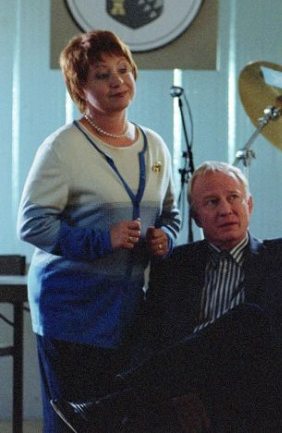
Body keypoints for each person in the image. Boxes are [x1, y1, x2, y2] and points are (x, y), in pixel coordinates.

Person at [50, 161, 282, 432]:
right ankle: (122, 404)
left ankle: (113, 403)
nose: (225, 210)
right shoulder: (175, 265)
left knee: (248, 318)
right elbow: (151, 336)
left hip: (256, 385)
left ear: (249, 205)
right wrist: (176, 394)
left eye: (233, 197)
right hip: (189, 387)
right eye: (212, 202)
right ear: (196, 217)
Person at [17, 30, 180, 432]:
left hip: (128, 310)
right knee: (74, 421)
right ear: (80, 88)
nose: (117, 81)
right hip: (69, 309)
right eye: (102, 75)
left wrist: (165, 237)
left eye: (123, 69)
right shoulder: (62, 148)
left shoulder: (155, 146)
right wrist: (100, 240)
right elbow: (32, 224)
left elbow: (171, 214)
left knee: (121, 420)